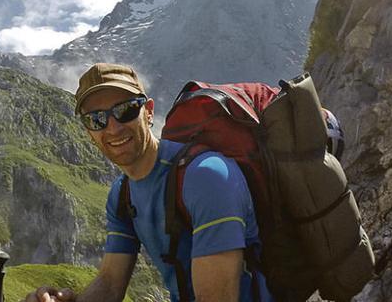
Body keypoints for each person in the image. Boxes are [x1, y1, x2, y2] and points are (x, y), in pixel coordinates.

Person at [25, 63, 271, 302]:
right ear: (89, 132)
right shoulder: (122, 193)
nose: (113, 128)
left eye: (125, 110)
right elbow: (110, 285)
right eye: (96, 120)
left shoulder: (206, 177)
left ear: (149, 111)